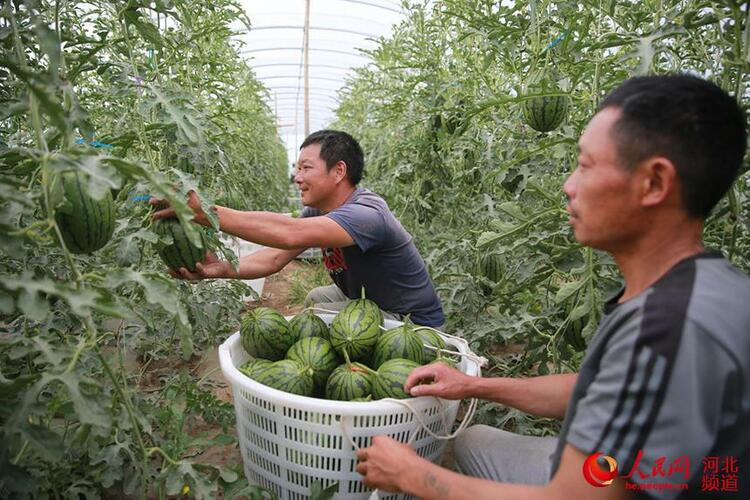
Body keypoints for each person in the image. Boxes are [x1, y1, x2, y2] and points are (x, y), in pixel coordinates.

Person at [355, 74, 750, 498]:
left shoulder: (665, 329)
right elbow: (593, 389)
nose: (569, 185)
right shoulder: (711, 286)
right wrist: (473, 385)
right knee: (474, 441)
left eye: (585, 165)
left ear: (654, 183)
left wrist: (411, 474)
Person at [152, 130, 444, 327]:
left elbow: (289, 231)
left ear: (339, 171)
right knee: (318, 300)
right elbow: (276, 257)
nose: (296, 177)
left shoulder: (367, 214)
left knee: (325, 327)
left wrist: (205, 212)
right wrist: (221, 269)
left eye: (306, 168)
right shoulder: (318, 211)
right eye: (296, 168)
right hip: (372, 305)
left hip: (412, 322)